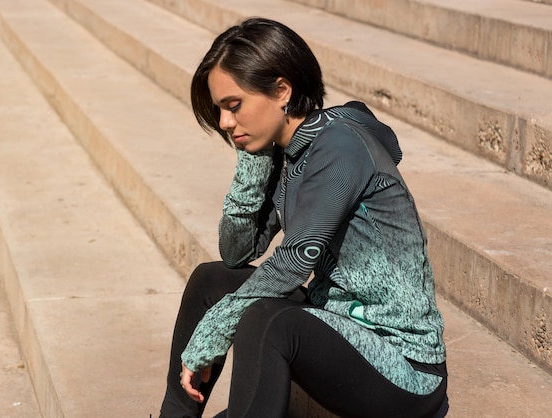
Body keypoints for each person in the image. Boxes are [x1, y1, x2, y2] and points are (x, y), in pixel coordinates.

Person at [159, 17, 448, 418]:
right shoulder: (286, 150)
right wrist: (252, 162)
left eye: (234, 106)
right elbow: (236, 251)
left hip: (404, 366)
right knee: (213, 280)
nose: (225, 123)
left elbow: (295, 258)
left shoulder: (340, 146)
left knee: (267, 318)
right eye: (220, 111)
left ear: (281, 90)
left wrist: (217, 326)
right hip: (334, 326)